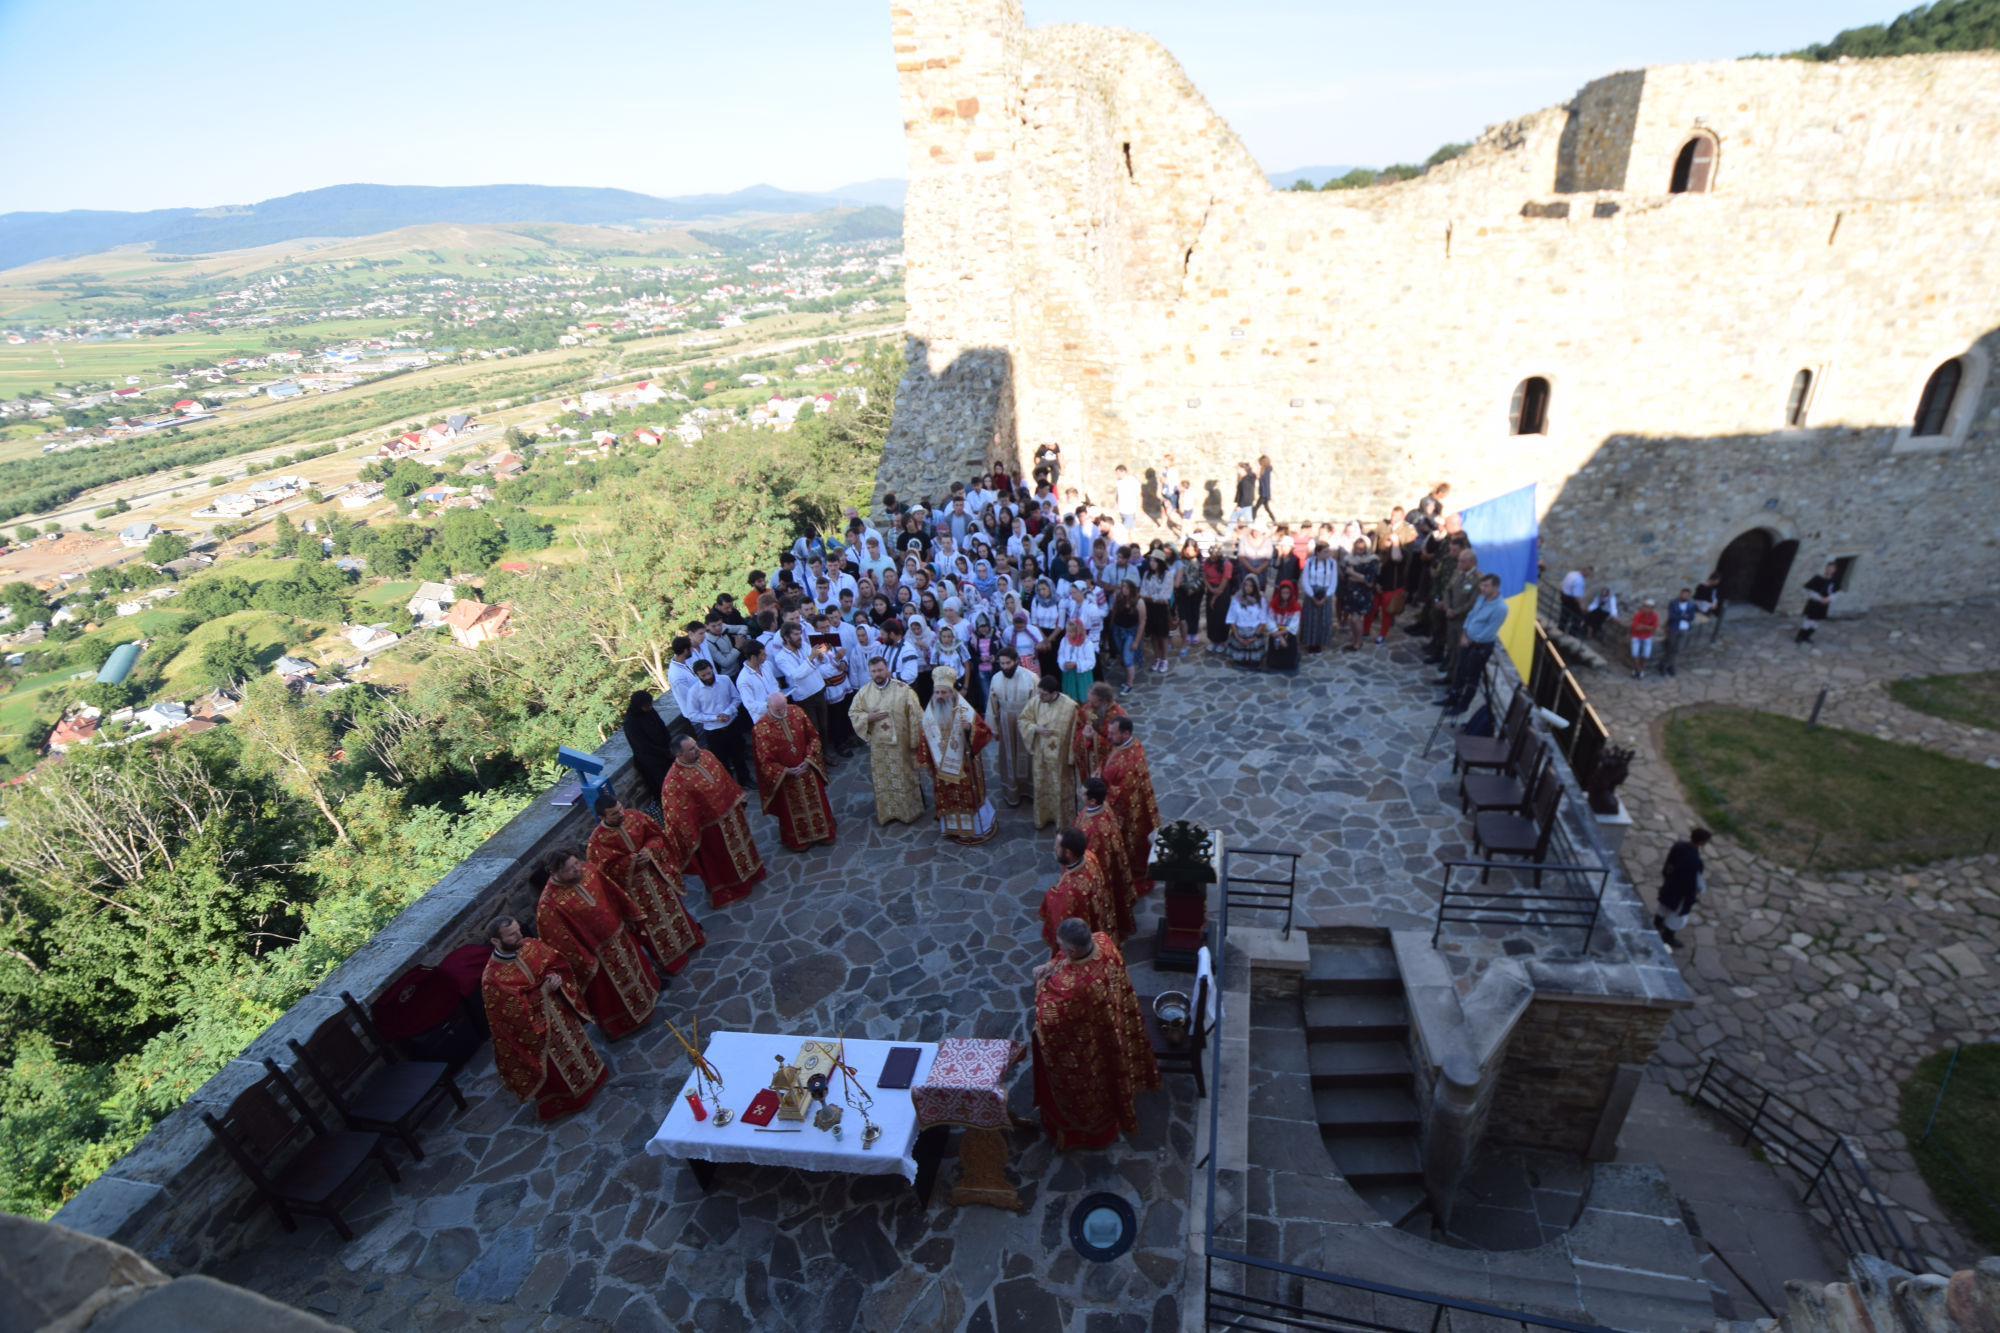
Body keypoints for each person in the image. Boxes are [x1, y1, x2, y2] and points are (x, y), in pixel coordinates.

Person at [1030, 917, 1161, 1150]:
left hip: (1088, 1042)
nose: (1058, 949)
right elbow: (1065, 958)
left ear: (1072, 950)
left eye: (1061, 945)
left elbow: (1048, 1018)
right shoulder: (1103, 940)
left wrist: (1040, 983)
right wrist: (1052, 964)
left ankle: (1087, 1134)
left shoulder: (1074, 986)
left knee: (1089, 1082)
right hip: (1112, 1021)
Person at [482, 916, 606, 1121]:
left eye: (518, 929)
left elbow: (554, 961)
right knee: (556, 1065)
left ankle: (596, 1077)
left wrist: (553, 975)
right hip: (537, 1031)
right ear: (496, 941)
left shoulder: (530, 945)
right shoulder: (493, 979)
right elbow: (511, 1016)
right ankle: (574, 1100)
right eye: (512, 934)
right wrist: (542, 993)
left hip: (560, 1012)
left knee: (577, 1044)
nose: (520, 935)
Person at [536, 846, 660, 1040]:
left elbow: (610, 893)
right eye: (569, 869)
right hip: (597, 957)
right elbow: (559, 942)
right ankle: (624, 1024)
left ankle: (648, 1000)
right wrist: (587, 961)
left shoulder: (589, 870)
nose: (577, 869)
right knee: (612, 993)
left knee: (636, 970)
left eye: (576, 863)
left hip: (620, 936)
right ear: (554, 873)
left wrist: (626, 915)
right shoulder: (548, 905)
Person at [586, 791, 705, 976]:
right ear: (602, 817)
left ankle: (690, 941)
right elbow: (603, 875)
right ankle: (672, 961)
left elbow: (656, 836)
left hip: (656, 875)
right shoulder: (597, 842)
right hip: (633, 891)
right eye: (614, 813)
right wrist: (630, 861)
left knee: (673, 909)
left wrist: (649, 850)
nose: (622, 814)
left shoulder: (635, 816)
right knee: (651, 925)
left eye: (620, 808)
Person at [659, 733, 766, 907]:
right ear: (680, 755)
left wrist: (735, 800)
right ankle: (732, 888)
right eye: (692, 749)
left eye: (696, 744)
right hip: (711, 831)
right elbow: (678, 816)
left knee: (743, 847)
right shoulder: (673, 782)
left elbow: (724, 777)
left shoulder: (707, 756)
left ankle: (753, 874)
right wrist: (691, 837)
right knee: (723, 860)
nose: (698, 749)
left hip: (732, 815)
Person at [916, 666, 996, 844]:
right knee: (947, 798)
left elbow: (985, 731)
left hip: (965, 765)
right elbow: (924, 738)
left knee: (968, 796)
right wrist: (928, 764)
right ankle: (952, 828)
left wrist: (969, 728)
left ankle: (976, 829)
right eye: (937, 692)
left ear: (952, 692)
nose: (940, 696)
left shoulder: (964, 710)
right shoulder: (930, 713)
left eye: (944, 692)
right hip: (941, 768)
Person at [752, 692, 837, 851]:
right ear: (768, 707)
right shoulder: (761, 728)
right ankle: (801, 841)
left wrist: (808, 759)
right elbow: (764, 760)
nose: (782, 712)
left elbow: (813, 737)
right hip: (786, 778)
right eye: (778, 710)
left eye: (784, 707)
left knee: (816, 802)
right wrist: (785, 771)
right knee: (792, 809)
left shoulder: (797, 711)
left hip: (807, 769)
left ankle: (824, 834)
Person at [848, 654, 927, 825]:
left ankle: (909, 812)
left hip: (902, 746)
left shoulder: (904, 690)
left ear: (887, 669)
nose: (877, 674)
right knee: (884, 780)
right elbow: (853, 713)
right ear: (870, 672)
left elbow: (916, 716)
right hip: (879, 748)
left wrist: (915, 743)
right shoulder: (864, 692)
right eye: (874, 671)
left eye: (880, 670)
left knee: (905, 778)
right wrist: (868, 717)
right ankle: (888, 813)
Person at [1100, 717, 1158, 906]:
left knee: (1127, 844)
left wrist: (1099, 793)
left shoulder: (1131, 759)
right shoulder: (1127, 744)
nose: (1109, 736)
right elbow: (1109, 759)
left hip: (1128, 812)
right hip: (1126, 803)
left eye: (1113, 733)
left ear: (1126, 733)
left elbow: (1123, 793)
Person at [1019, 673, 1080, 830]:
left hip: (1061, 759)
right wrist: (1035, 728)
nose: (1040, 696)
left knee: (1060, 788)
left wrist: (1071, 758)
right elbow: (1023, 720)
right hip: (1041, 756)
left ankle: (1062, 822)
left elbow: (1075, 733)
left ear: (1054, 693)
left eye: (1044, 694)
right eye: (1039, 692)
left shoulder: (1070, 706)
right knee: (1042, 785)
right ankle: (1043, 818)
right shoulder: (1035, 702)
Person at [1075, 776, 1134, 939]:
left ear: (1092, 801)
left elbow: (1090, 857)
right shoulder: (1104, 806)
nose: (1080, 795)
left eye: (1083, 794)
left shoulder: (1094, 831)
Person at [1440, 574, 1508, 711]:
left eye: (1486, 585)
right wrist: (1464, 635)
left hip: (1480, 646)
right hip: (1468, 640)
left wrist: (1471, 641)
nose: (1482, 588)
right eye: (1482, 585)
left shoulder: (1500, 608)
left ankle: (1463, 705)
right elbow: (1471, 615)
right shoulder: (1481, 598)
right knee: (1460, 670)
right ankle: (1453, 698)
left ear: (1495, 587)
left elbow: (1490, 630)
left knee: (1472, 676)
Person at [1041, 828, 1113, 951]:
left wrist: (1051, 895)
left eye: (1057, 847)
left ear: (1068, 853)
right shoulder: (1089, 856)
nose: (1054, 848)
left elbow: (1060, 918)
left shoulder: (1070, 892)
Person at [986, 645, 1037, 808]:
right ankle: (1012, 793)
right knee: (1008, 756)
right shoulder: (996, 678)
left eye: (1008, 663)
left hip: (1026, 722)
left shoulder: (1031, 678)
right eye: (1002, 663)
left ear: (1016, 661)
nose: (1005, 666)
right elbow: (992, 704)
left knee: (1027, 755)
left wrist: (1035, 728)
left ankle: (1029, 790)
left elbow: (1037, 705)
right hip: (1005, 722)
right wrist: (993, 728)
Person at [686, 659, 751, 787]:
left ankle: (745, 780)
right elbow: (692, 714)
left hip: (732, 726)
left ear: (712, 669)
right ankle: (729, 786)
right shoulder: (694, 691)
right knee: (721, 761)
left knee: (739, 755)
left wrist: (727, 712)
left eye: (709, 673)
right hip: (714, 732)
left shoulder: (725, 680)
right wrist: (715, 718)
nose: (707, 677)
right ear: (697, 675)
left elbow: (736, 698)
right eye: (703, 675)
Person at [1655, 828, 1712, 950]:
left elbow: (1669, 864)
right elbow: (1694, 882)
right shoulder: (1695, 861)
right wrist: (1690, 900)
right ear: (1702, 842)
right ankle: (1667, 937)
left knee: (1664, 906)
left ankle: (1657, 924)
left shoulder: (1679, 846)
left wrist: (1668, 878)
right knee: (1677, 916)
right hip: (1680, 892)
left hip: (1670, 884)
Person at [622, 690, 680, 800]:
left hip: (665, 751)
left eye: (650, 705)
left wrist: (669, 746)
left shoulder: (650, 711)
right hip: (653, 761)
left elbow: (661, 727)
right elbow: (643, 745)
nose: (649, 708)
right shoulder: (631, 722)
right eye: (646, 706)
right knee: (665, 788)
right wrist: (664, 753)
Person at [1073, 681, 1126, 781]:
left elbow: (1118, 746)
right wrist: (1083, 732)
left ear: (1104, 700)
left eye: (1094, 703)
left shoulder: (1118, 716)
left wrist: (1094, 737)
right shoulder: (1089, 707)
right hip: (1087, 760)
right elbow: (1079, 724)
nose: (1090, 705)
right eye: (1089, 701)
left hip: (1104, 764)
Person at [1138, 553, 1174, 674]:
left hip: (1161, 609)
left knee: (1162, 635)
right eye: (1150, 560)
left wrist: (1148, 597)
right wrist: (1154, 597)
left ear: (1160, 562)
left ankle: (1164, 659)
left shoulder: (1167, 575)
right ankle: (1157, 657)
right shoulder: (1147, 574)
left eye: (1154, 561)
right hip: (1150, 608)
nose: (1151, 563)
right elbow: (1142, 591)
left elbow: (1165, 596)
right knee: (1153, 634)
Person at [1340, 537, 1378, 652]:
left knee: (1355, 619)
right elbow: (1347, 577)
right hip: (1351, 592)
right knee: (1352, 619)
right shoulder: (1350, 558)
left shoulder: (1372, 560)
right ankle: (1354, 639)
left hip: (1363, 594)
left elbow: (1370, 580)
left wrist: (1353, 573)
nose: (1359, 551)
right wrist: (1361, 578)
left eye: (1361, 549)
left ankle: (1359, 641)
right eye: (1357, 548)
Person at [1300, 541, 1338, 655]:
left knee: (1323, 620)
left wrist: (1325, 597)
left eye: (1328, 551)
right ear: (1317, 552)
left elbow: (1333, 581)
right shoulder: (1309, 562)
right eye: (1325, 552)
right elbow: (1305, 580)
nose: (1328, 554)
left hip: (1325, 594)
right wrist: (1313, 597)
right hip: (1311, 594)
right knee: (1310, 619)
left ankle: (1319, 644)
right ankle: (1310, 643)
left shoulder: (1332, 563)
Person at [1107, 582, 1143, 695]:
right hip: (1118, 630)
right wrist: (1111, 625)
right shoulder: (1118, 597)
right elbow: (1114, 611)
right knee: (1123, 656)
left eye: (1127, 587)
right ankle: (1128, 678)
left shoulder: (1139, 602)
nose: (1124, 589)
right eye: (1123, 586)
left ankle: (1129, 684)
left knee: (1127, 658)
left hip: (1130, 632)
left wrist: (1136, 641)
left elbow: (1142, 623)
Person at [1225, 574, 1268, 668]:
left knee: (1252, 662)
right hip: (1239, 632)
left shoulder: (1261, 600)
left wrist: (1255, 637)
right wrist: (1237, 637)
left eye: (1251, 585)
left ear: (1255, 587)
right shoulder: (1236, 599)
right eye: (1246, 585)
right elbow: (1231, 619)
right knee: (1240, 661)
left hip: (1254, 633)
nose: (1248, 588)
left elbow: (1263, 620)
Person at [1660, 588, 1698, 678]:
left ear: (1689, 596)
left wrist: (1679, 615)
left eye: (1687, 594)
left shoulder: (1691, 604)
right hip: (1674, 628)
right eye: (1683, 594)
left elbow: (1692, 617)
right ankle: (1670, 666)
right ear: (1680, 594)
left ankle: (1665, 665)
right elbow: (1672, 616)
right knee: (1671, 647)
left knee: (1677, 648)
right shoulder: (1673, 602)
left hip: (1684, 628)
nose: (1684, 596)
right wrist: (1684, 615)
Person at [1057, 618, 1096, 703]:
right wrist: (1064, 663)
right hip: (1069, 674)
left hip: (1082, 675)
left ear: (1078, 631)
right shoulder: (1064, 641)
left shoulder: (1087, 643)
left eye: (1071, 632)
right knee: (1070, 700)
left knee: (1084, 699)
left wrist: (1077, 664)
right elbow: (1060, 654)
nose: (1068, 634)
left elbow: (1091, 661)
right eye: (1067, 631)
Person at [1265, 580, 1302, 671]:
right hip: (1276, 632)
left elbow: (1294, 623)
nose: (1285, 595)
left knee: (1288, 661)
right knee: (1274, 657)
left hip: (1287, 632)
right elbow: (1270, 620)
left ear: (1291, 593)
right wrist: (1280, 637)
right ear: (1279, 592)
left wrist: (1279, 634)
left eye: (1287, 593)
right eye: (1283, 593)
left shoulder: (1296, 606)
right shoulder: (1273, 604)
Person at [1798, 562, 1838, 645]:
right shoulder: (1817, 578)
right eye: (1829, 567)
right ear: (1826, 567)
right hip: (1814, 603)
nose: (1830, 569)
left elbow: (1834, 593)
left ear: (1835, 570)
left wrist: (1829, 599)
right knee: (1809, 620)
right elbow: (1811, 591)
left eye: (1832, 568)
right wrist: (1821, 599)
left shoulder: (1834, 580)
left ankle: (1807, 636)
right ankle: (1799, 637)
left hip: (1824, 604)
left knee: (1816, 622)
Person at [1629, 598, 1659, 679]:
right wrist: (1648, 627)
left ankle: (1637, 670)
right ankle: (1639, 670)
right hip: (1636, 636)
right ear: (1643, 606)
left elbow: (1654, 628)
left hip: (1647, 637)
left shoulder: (1654, 616)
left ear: (1652, 608)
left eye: (1649, 607)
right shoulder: (1638, 614)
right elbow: (1635, 627)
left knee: (1646, 655)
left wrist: (1642, 626)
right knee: (1635, 654)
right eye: (1646, 606)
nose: (1647, 608)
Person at [1558, 566, 1592, 637]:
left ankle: (1560, 629)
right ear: (1585, 572)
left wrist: (1561, 595)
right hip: (1572, 599)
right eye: (1588, 574)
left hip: (1564, 596)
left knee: (1565, 614)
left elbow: (1562, 585)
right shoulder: (1579, 580)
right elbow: (1576, 596)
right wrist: (1581, 605)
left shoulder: (1571, 573)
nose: (1588, 576)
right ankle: (1572, 634)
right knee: (1577, 617)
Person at [1693, 572, 1725, 643]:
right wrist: (1710, 605)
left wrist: (1715, 602)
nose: (1717, 583)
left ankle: (1701, 638)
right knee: (1701, 625)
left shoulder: (1711, 587)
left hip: (1707, 608)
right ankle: (1697, 639)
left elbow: (1713, 596)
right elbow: (1699, 600)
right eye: (1717, 581)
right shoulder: (1701, 587)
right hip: (1701, 609)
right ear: (1714, 579)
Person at [1113, 464, 1141, 533]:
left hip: (1130, 511)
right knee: (1131, 532)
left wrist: (1137, 511)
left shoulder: (1133, 481)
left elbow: (1139, 497)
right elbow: (1118, 494)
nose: (1117, 475)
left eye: (1118, 473)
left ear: (1124, 472)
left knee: (1125, 531)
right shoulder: (1118, 481)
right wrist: (1116, 504)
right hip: (1122, 510)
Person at [1230, 461, 1257, 525]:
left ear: (1243, 469)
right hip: (1247, 504)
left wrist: (1240, 505)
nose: (1236, 469)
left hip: (1244, 504)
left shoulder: (1245, 480)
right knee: (1249, 521)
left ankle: (1228, 532)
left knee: (1233, 519)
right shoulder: (1247, 478)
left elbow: (1245, 494)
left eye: (1238, 468)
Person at [1252, 454, 1276, 524]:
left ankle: (1254, 522)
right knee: (1266, 508)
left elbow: (1259, 478)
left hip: (1264, 493)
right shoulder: (1266, 470)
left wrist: (1258, 469)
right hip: (1264, 493)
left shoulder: (1266, 470)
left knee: (1255, 509)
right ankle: (1274, 520)